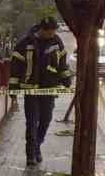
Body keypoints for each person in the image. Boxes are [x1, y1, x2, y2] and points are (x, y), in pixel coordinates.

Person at [11, 15, 72, 167]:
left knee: (45, 120)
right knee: (31, 123)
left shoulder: (57, 42)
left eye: (54, 31)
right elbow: (15, 67)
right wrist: (13, 88)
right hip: (30, 91)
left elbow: (62, 65)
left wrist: (66, 80)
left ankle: (37, 145)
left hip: (49, 89)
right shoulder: (25, 43)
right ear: (42, 30)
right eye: (50, 32)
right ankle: (30, 154)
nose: (53, 34)